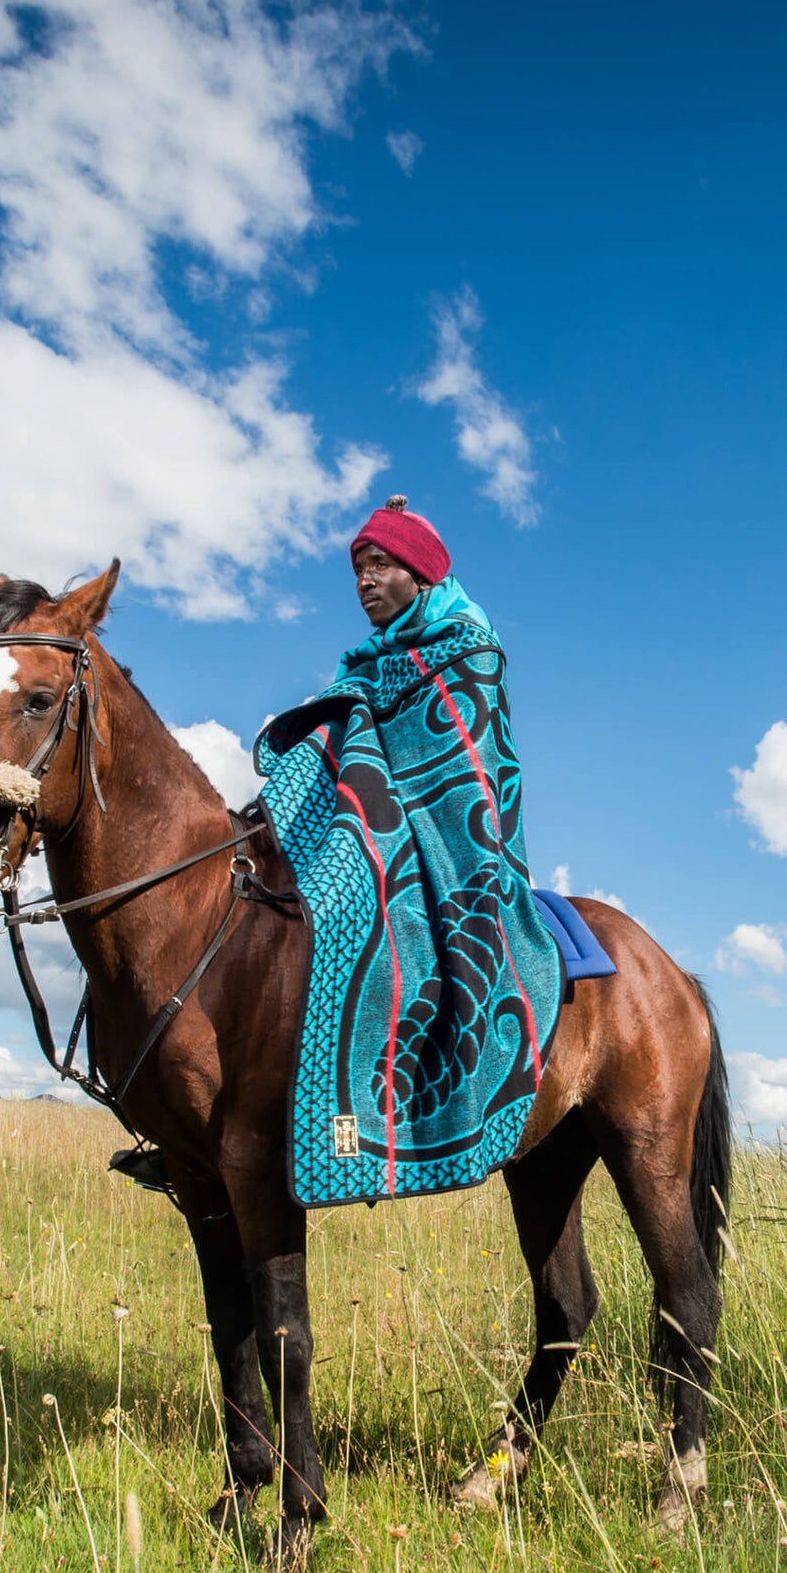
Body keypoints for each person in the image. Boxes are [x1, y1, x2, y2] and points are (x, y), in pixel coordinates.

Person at [254, 493, 563, 1209]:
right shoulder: (368, 664)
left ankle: (388, 1119)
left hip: (458, 835)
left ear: (420, 574)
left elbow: (468, 758)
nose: (363, 581)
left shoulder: (468, 645)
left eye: (379, 565)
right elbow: (351, 735)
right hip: (383, 818)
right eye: (357, 569)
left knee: (383, 912)